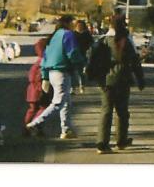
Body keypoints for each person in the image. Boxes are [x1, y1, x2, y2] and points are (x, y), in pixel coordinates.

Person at [90, 13, 145, 154]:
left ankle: (102, 143)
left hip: (105, 81)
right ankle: (121, 141)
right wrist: (140, 79)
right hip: (123, 79)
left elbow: (92, 59)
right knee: (121, 112)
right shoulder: (126, 41)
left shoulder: (102, 40)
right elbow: (135, 62)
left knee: (106, 111)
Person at [25, 14, 86, 139]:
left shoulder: (54, 36)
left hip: (52, 72)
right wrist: (82, 65)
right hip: (62, 72)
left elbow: (46, 57)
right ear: (68, 23)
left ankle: (66, 129)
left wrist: (45, 76)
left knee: (66, 103)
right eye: (73, 23)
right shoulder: (68, 35)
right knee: (58, 102)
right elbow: (72, 53)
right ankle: (35, 123)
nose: (75, 26)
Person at [22, 36, 51, 137]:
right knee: (43, 109)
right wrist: (42, 89)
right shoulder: (44, 62)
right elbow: (37, 78)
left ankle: (29, 127)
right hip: (38, 90)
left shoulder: (39, 61)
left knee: (33, 109)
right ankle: (34, 125)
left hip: (32, 91)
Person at [73, 18, 94, 93]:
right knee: (73, 72)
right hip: (74, 55)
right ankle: (73, 87)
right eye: (78, 25)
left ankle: (82, 85)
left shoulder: (86, 34)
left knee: (81, 72)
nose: (79, 27)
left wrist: (89, 49)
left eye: (81, 25)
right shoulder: (73, 34)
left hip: (83, 54)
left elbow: (91, 42)